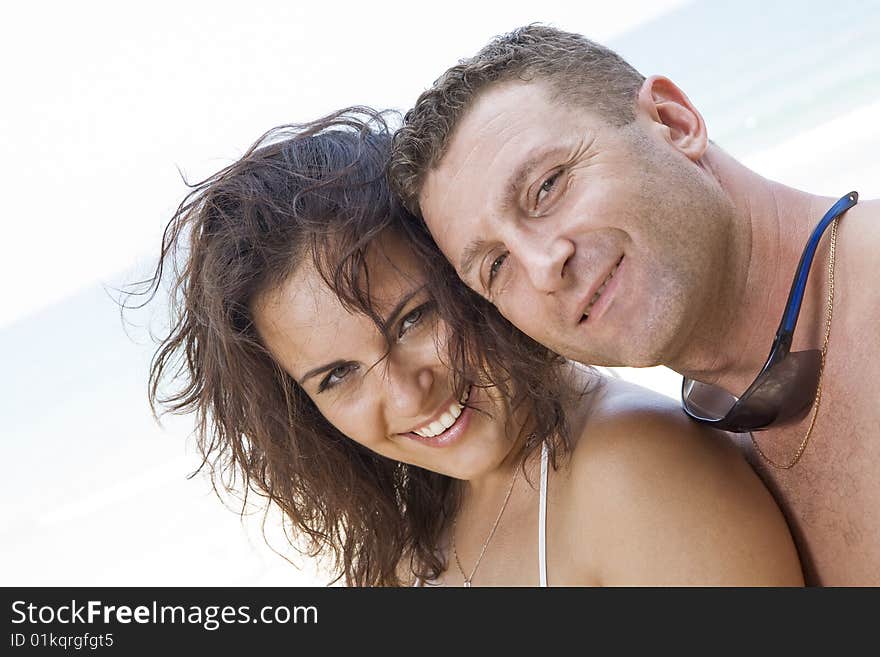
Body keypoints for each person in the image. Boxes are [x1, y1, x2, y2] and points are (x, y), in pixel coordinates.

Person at [137, 108, 802, 586]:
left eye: (411, 320)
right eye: (338, 375)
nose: (404, 392)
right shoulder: (418, 527)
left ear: (464, 269)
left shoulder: (635, 469)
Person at [388, 25, 879, 586]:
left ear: (674, 122)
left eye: (547, 187)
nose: (544, 267)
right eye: (496, 266)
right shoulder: (709, 452)